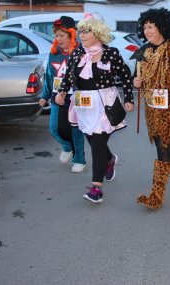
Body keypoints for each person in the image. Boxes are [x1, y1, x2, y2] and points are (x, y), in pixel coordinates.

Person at [55, 13, 134, 203]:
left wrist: (129, 98)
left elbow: (125, 75)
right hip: (83, 104)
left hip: (104, 104)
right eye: (81, 31)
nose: (82, 35)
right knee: (93, 141)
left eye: (86, 31)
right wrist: (62, 92)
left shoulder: (111, 53)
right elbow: (67, 76)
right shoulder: (77, 53)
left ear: (97, 33)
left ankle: (96, 188)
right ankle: (109, 160)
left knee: (97, 143)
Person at [132, 8, 170, 210]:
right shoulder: (143, 52)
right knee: (161, 142)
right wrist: (136, 82)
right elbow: (136, 76)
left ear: (162, 27)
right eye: (145, 27)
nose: (147, 30)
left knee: (163, 145)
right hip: (153, 106)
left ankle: (156, 195)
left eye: (151, 26)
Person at [39, 16, 86, 172]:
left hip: (76, 98)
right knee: (54, 128)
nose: (58, 39)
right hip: (57, 96)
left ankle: (79, 159)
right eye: (56, 35)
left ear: (71, 35)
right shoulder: (54, 53)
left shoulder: (82, 51)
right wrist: (44, 96)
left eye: (61, 35)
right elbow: (49, 77)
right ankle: (67, 148)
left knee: (76, 130)